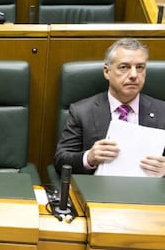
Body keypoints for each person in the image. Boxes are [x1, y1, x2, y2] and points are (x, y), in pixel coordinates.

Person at [54, 38, 165, 177]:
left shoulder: (162, 111)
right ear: (107, 72)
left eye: (140, 67)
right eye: (124, 67)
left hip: (148, 194)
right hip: (98, 192)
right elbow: (61, 161)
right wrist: (89, 158)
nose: (134, 75)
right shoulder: (82, 111)